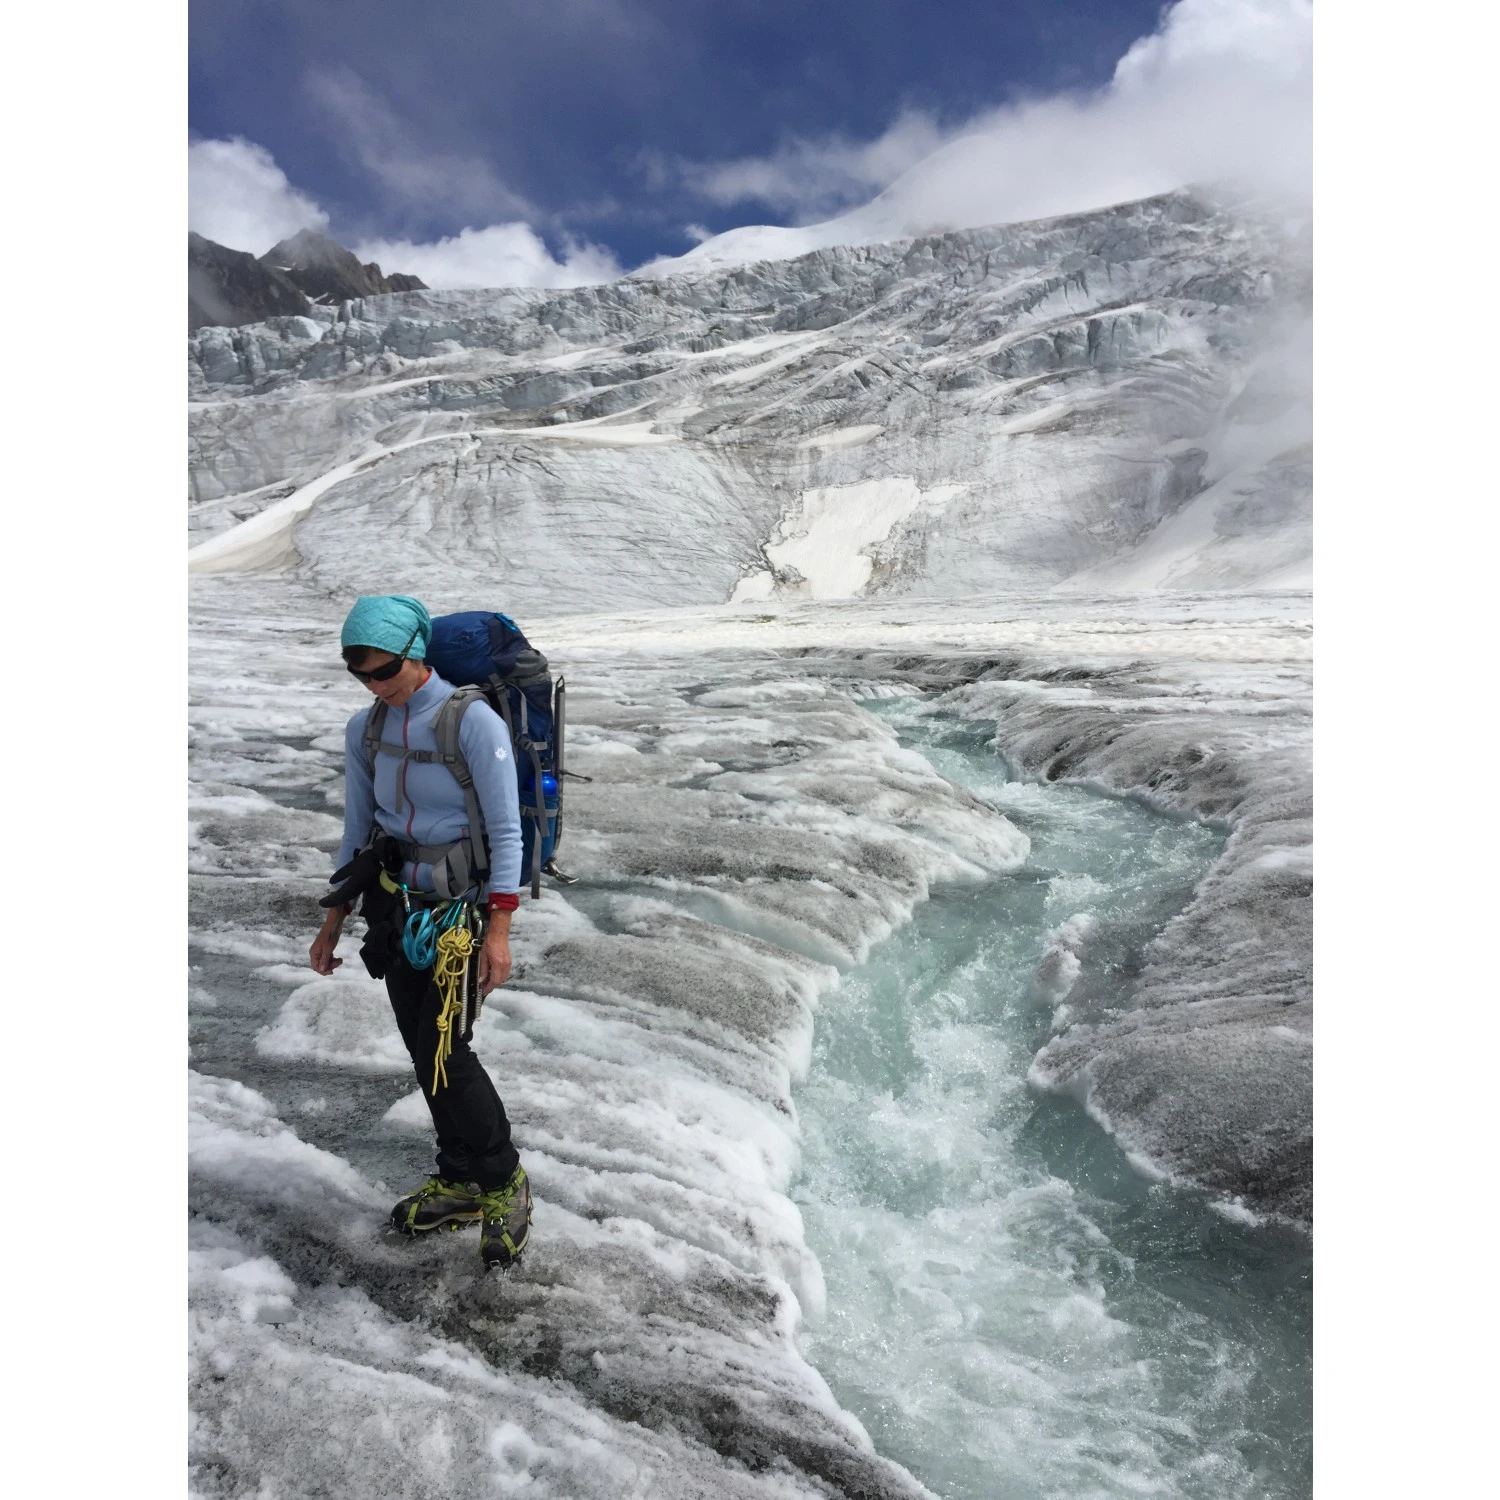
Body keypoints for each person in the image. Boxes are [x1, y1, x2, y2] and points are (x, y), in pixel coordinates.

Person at [308, 594, 532, 1269]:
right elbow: (357, 829)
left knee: (447, 1049)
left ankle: (504, 1182)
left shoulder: (473, 723)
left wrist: (500, 931)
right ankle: (458, 1179)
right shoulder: (366, 729)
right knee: (420, 1047)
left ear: (416, 653)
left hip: (460, 915)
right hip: (394, 908)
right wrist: (332, 922)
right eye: (360, 675)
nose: (374, 686)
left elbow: (507, 832)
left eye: (384, 671)